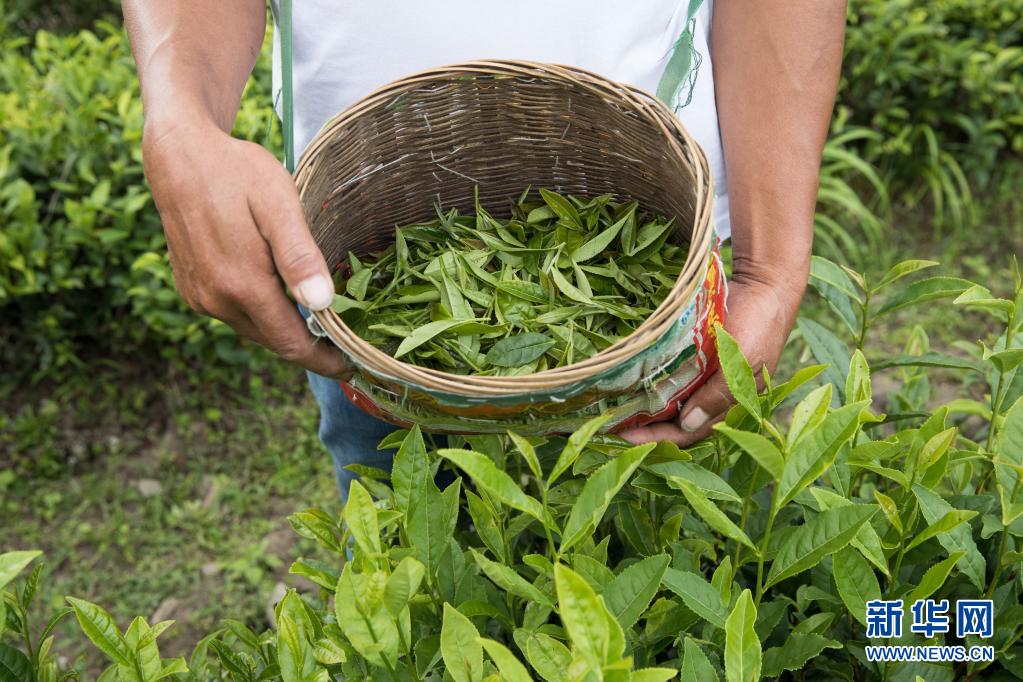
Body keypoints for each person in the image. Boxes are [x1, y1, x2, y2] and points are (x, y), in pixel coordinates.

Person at [123, 0, 847, 496]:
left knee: (681, 598)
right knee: (415, 616)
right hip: (357, 299)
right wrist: (180, 122)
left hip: (664, 310)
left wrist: (768, 268)